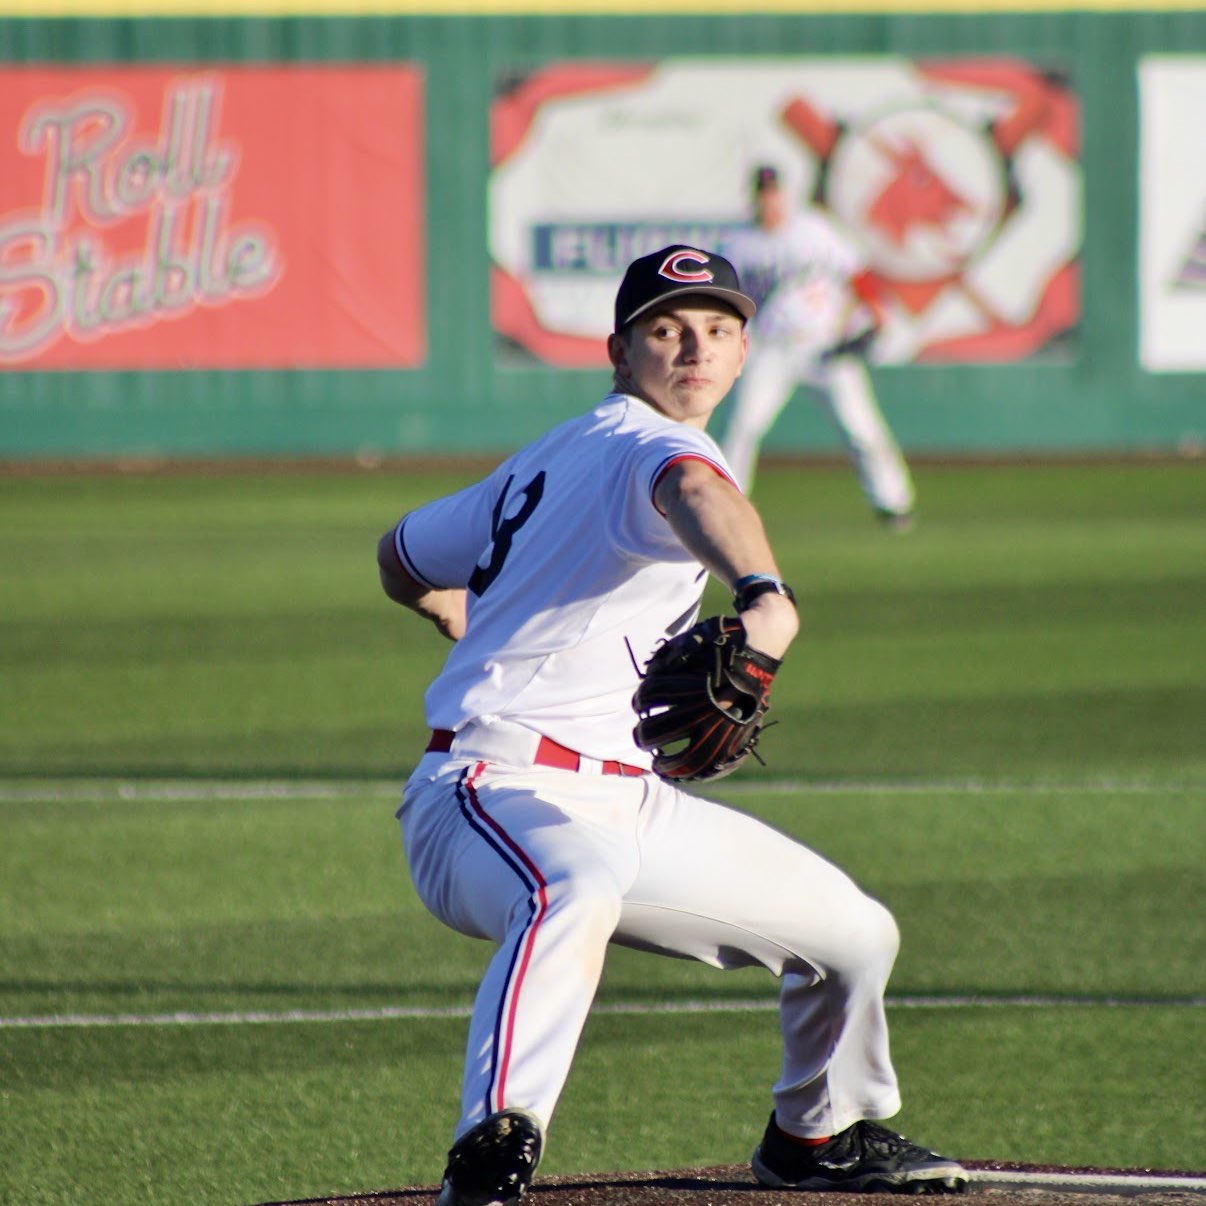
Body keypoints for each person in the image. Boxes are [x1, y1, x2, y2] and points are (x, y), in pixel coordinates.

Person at [376, 245, 967, 1206]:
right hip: (489, 793)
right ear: (621, 352)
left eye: (719, 329)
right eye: (667, 329)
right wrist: (766, 595)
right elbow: (694, 495)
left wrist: (445, 606)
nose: (695, 348)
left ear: (743, 353)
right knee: (575, 886)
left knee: (857, 936)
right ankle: (492, 1149)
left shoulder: (550, 454)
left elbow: (400, 552)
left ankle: (811, 1136)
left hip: (627, 800)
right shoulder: (647, 445)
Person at [719, 165, 916, 529]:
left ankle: (893, 503)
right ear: (755, 199)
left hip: (825, 347)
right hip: (771, 348)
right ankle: (728, 506)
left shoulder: (813, 231)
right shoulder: (737, 245)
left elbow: (857, 273)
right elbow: (723, 302)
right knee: (743, 425)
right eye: (764, 194)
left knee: (861, 428)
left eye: (775, 192)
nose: (770, 200)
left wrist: (875, 313)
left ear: (785, 195)